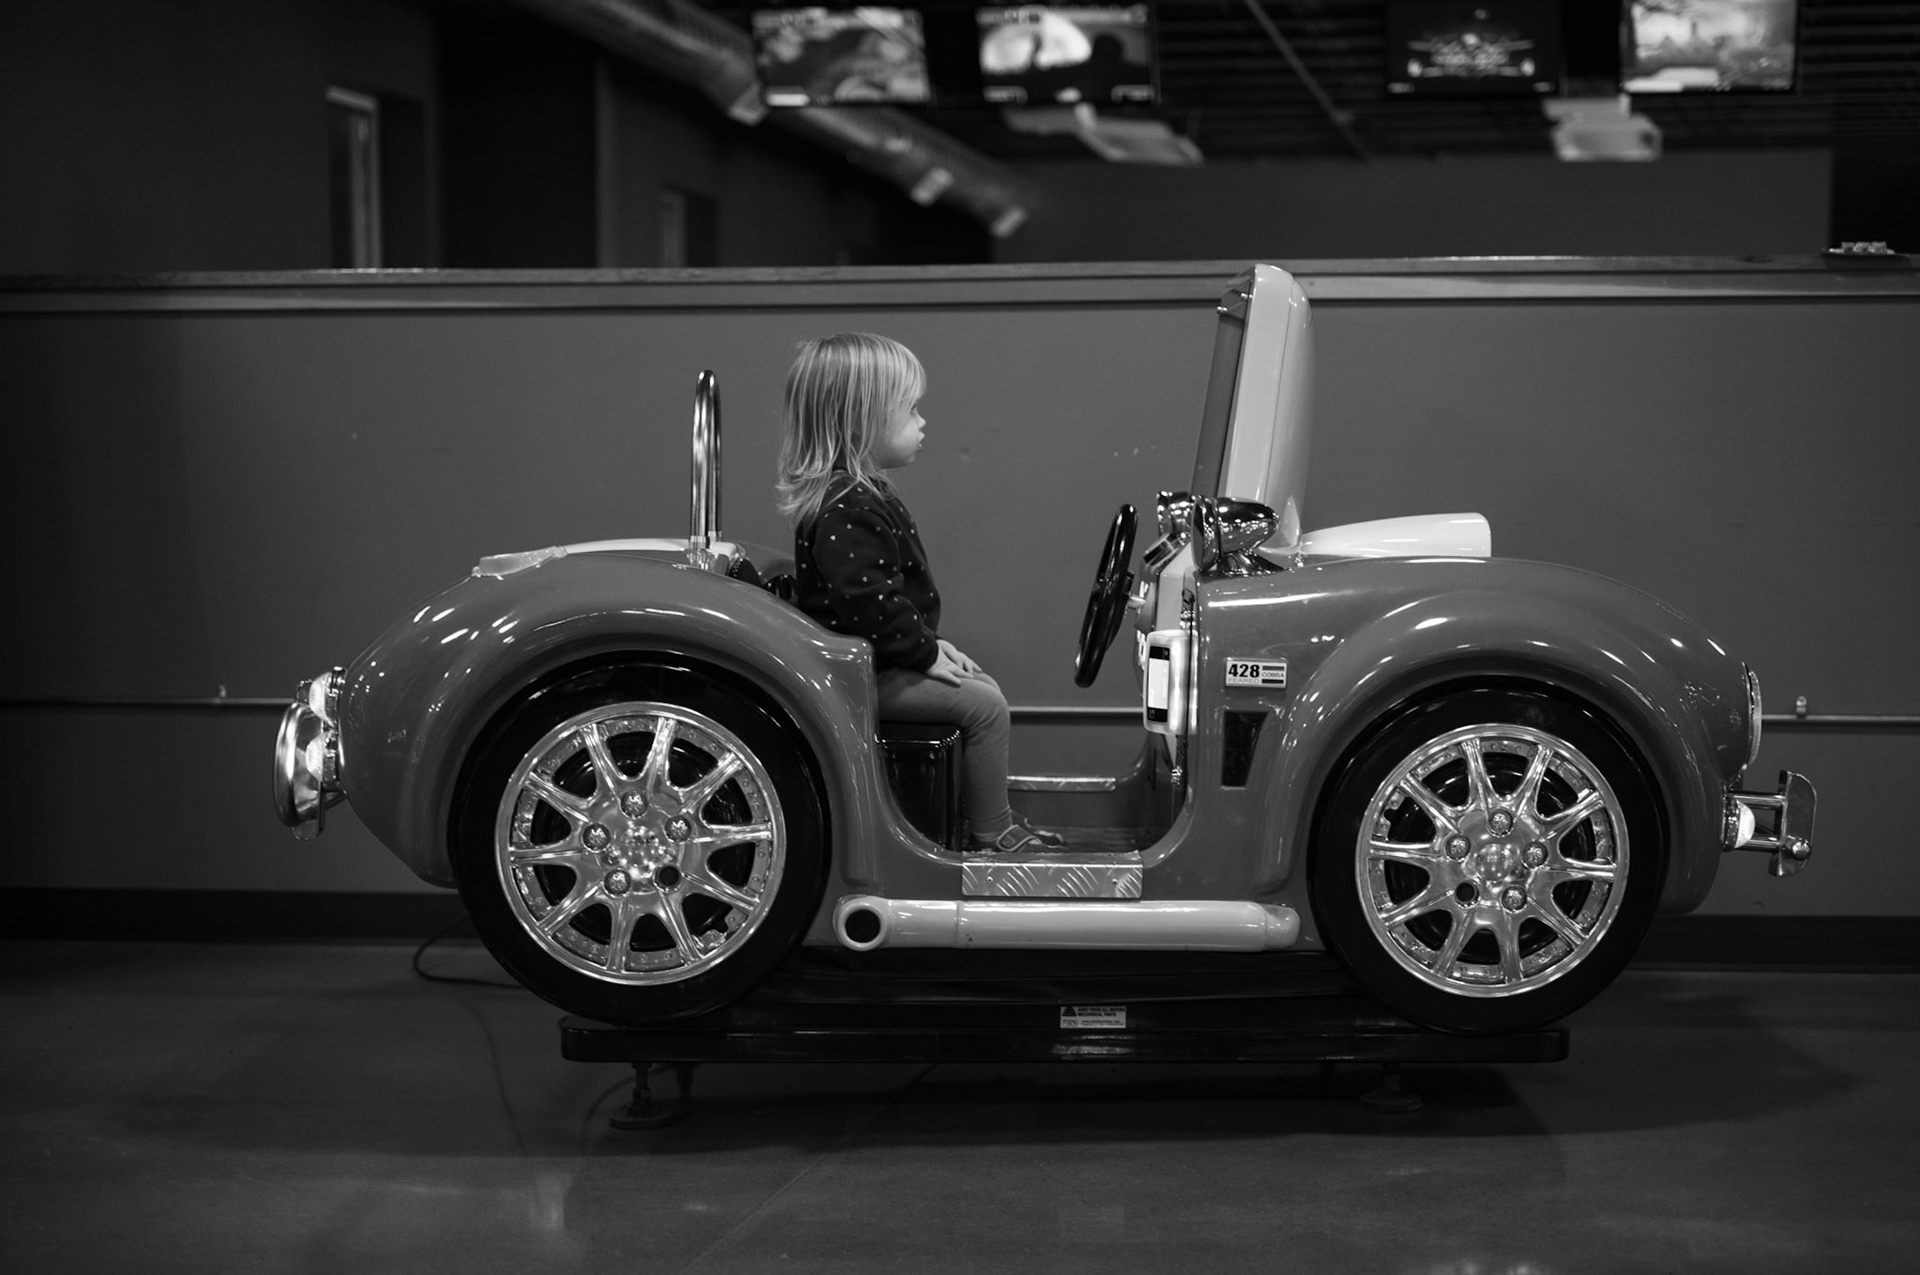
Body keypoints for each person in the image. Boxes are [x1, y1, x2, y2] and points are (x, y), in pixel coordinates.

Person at [776, 332, 1065, 856]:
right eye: (910, 410)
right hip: (859, 676)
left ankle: (982, 817)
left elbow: (887, 602)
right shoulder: (848, 507)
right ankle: (993, 833)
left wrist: (932, 646)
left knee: (980, 686)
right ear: (860, 422)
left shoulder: (859, 495)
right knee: (985, 708)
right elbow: (869, 605)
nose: (923, 422)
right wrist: (924, 653)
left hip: (877, 661)